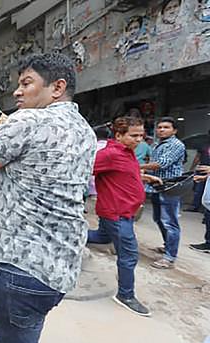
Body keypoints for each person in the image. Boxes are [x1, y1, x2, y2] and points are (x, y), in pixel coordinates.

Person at [0, 53, 96, 343]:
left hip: (18, 268)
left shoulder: (26, 121)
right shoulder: (85, 130)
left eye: (26, 83)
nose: (17, 91)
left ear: (57, 87)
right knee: (26, 339)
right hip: (59, 271)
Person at [87, 117, 162, 317]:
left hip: (122, 212)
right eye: (134, 135)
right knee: (129, 255)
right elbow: (83, 169)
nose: (139, 139)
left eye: (141, 135)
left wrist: (144, 177)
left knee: (102, 238)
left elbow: (125, 172)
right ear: (119, 135)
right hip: (116, 213)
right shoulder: (109, 154)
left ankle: (70, 236)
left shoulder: (127, 152)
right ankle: (125, 296)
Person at [141, 117, 186, 269]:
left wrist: (136, 165)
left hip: (169, 188)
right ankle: (168, 246)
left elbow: (161, 164)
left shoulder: (176, 144)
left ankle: (169, 256)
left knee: (169, 221)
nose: (161, 130)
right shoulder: (157, 144)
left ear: (174, 130)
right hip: (156, 186)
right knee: (159, 219)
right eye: (159, 127)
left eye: (166, 127)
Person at [187, 131, 210, 212]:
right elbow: (198, 157)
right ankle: (195, 206)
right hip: (202, 168)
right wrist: (192, 168)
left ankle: (205, 209)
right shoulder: (203, 145)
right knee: (198, 189)